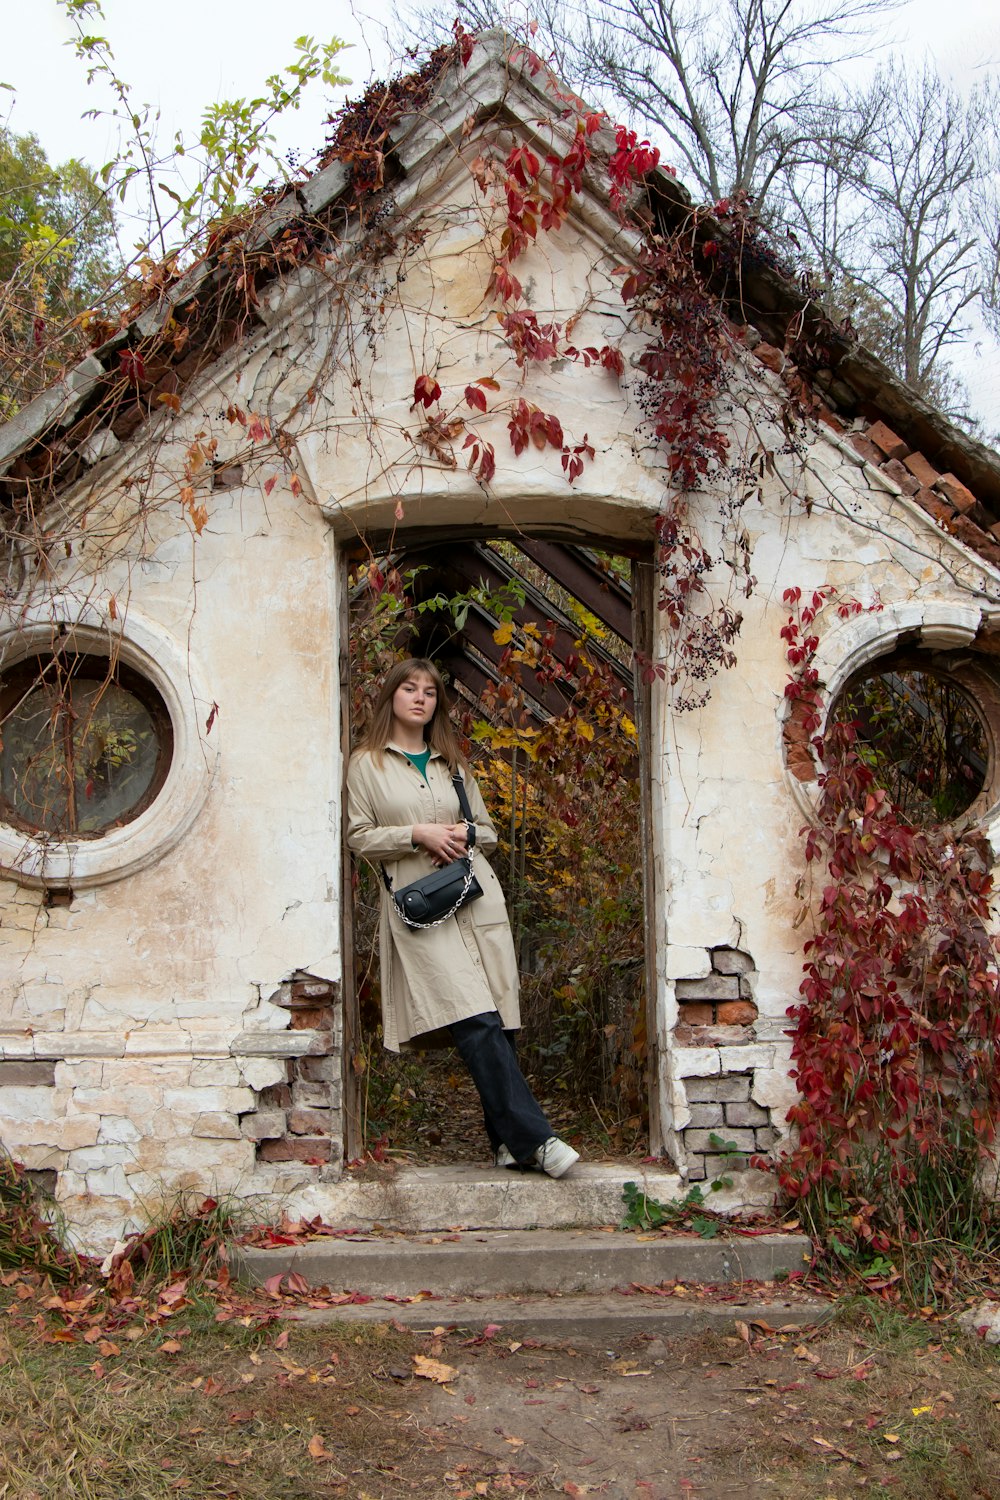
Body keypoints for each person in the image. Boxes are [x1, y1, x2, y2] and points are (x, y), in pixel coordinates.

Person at [346, 657, 579, 1178]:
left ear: (436, 705)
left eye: (429, 691)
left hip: (477, 898)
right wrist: (416, 835)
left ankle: (508, 1144)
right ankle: (537, 1140)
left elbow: (489, 831)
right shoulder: (366, 764)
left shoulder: (454, 763)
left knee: (499, 1017)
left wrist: (462, 834)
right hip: (420, 908)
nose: (420, 698)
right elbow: (357, 836)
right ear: (391, 696)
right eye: (409, 688)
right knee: (472, 1015)